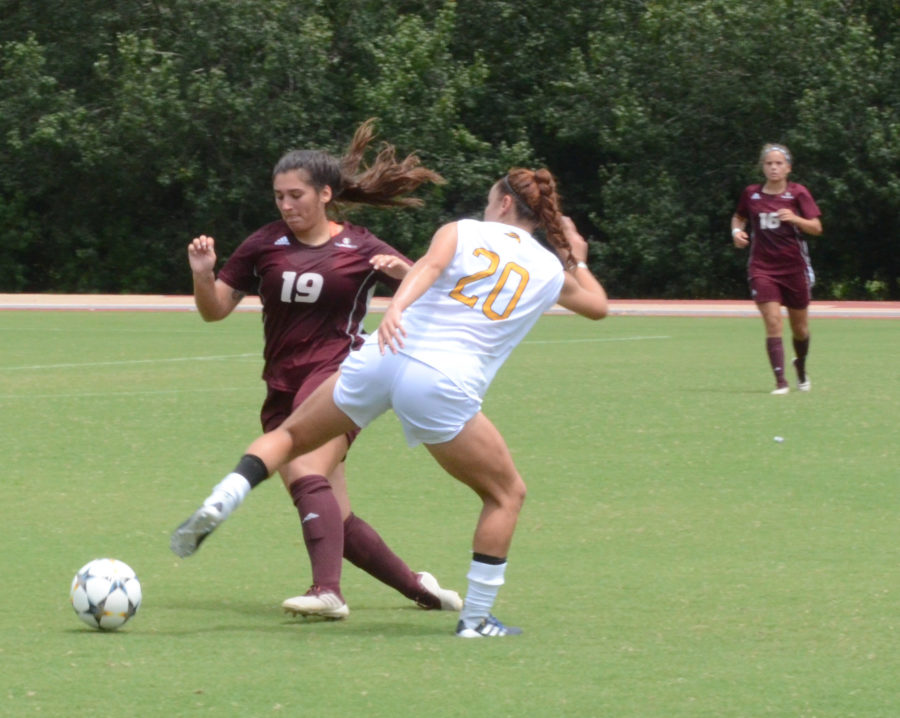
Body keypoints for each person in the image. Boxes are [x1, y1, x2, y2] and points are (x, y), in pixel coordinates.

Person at [190, 167, 609, 637]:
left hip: (383, 354)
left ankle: (227, 493)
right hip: (442, 381)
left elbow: (427, 271)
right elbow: (598, 306)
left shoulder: (461, 231)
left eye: (491, 199)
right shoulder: (548, 268)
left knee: (288, 437)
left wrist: (396, 311)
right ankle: (476, 620)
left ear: (505, 204)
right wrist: (576, 258)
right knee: (505, 494)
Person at [170, 119, 462, 618]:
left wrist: (403, 272)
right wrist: (203, 276)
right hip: (283, 386)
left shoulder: (363, 246)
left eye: (296, 195)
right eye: (279, 196)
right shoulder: (265, 244)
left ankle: (328, 593)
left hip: (341, 378)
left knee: (304, 471)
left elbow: (434, 291)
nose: (286, 206)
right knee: (333, 517)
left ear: (325, 194)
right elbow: (214, 309)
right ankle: (422, 590)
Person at [731, 143, 823, 394]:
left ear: (788, 168)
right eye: (769, 163)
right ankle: (780, 382)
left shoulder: (798, 193)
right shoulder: (751, 194)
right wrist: (736, 231)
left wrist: (796, 219)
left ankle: (800, 367)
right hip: (763, 268)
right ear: (762, 167)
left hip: (794, 268)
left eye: (779, 163)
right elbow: (739, 216)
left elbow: (816, 227)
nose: (774, 167)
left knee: (800, 329)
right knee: (773, 322)